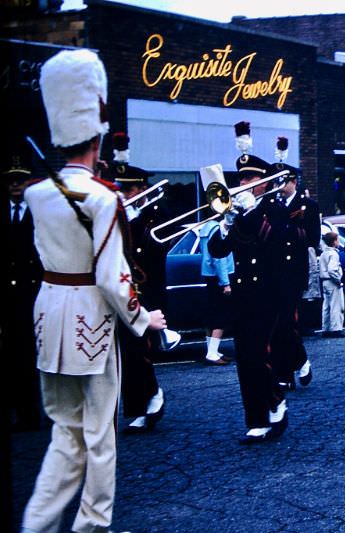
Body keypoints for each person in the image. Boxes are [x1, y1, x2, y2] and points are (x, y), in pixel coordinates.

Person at [21, 49, 166, 533]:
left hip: (49, 319)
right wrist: (146, 320)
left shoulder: (36, 193)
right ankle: (92, 525)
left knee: (65, 432)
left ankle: (38, 523)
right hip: (91, 325)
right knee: (99, 436)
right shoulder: (103, 198)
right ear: (97, 136)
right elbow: (111, 276)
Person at [207, 128, 289, 444]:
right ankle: (256, 419)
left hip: (269, 293)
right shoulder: (237, 213)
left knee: (262, 354)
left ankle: (275, 402)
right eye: (241, 180)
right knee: (246, 358)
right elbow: (217, 251)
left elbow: (274, 241)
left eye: (249, 180)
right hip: (243, 294)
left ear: (264, 182)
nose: (243, 185)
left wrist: (250, 212)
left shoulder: (272, 209)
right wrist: (225, 225)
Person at [107, 132, 172, 433]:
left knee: (140, 349)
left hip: (148, 290)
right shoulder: (113, 215)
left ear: (142, 189)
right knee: (127, 351)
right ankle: (138, 406)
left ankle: (152, 395)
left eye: (129, 190)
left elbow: (159, 252)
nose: (124, 195)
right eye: (121, 190)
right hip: (122, 290)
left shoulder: (153, 215)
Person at [2, 143, 44, 432]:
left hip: (34, 293)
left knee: (33, 354)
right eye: (11, 180)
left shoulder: (40, 215)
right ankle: (16, 410)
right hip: (8, 296)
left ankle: (33, 413)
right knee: (10, 354)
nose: (15, 185)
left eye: (20, 179)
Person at [272, 136, 318, 391]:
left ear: (293, 182)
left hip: (293, 271)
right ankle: (298, 361)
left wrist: (288, 227)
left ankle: (288, 371)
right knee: (278, 323)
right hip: (273, 270)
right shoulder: (270, 204)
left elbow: (313, 238)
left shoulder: (308, 205)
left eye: (281, 181)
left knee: (287, 321)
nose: (278, 186)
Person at [199, 217, 234, 364]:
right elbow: (220, 259)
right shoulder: (218, 230)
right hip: (219, 276)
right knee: (221, 315)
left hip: (209, 275)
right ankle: (212, 353)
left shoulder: (206, 227)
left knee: (212, 314)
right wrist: (225, 283)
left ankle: (212, 350)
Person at [319, 231, 345, 337]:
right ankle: (336, 329)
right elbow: (332, 270)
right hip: (332, 282)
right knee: (336, 306)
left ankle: (326, 328)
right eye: (337, 240)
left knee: (326, 306)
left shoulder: (323, 253)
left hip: (325, 281)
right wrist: (338, 280)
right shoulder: (333, 254)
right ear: (334, 242)